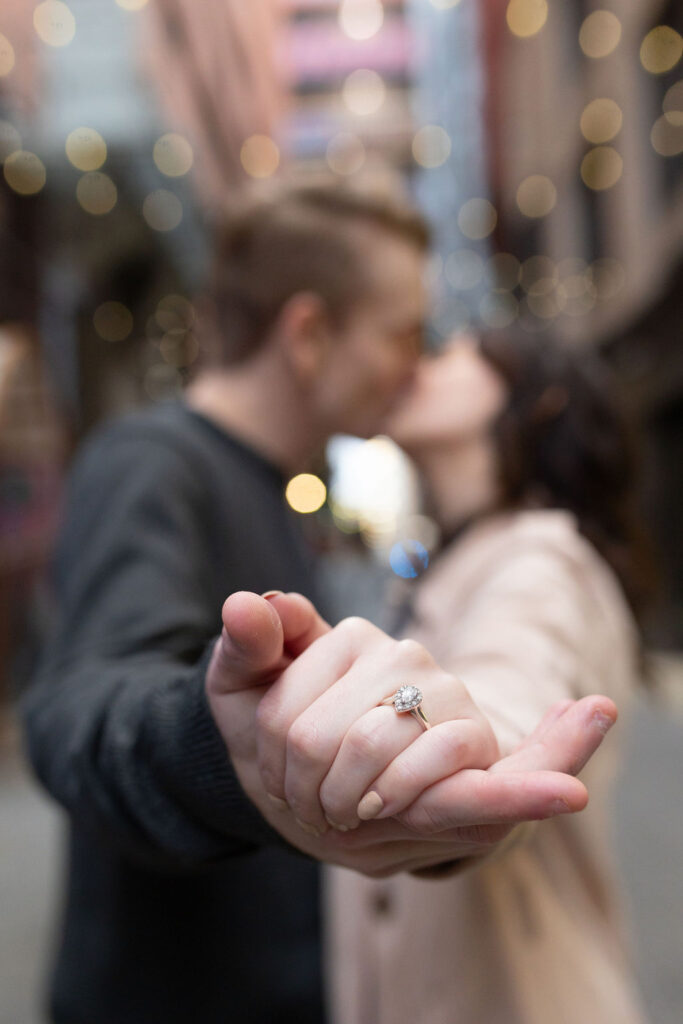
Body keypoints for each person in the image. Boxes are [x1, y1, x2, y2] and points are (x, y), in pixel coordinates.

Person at [21, 179, 618, 1024]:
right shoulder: (150, 463)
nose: (413, 365)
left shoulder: (276, 489)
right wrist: (225, 748)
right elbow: (77, 705)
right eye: (402, 333)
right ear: (308, 334)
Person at [324, 333, 653, 1024]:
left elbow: (514, 676)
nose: (417, 363)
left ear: (537, 401)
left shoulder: (542, 559)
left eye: (450, 354)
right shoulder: (452, 558)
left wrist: (474, 750)